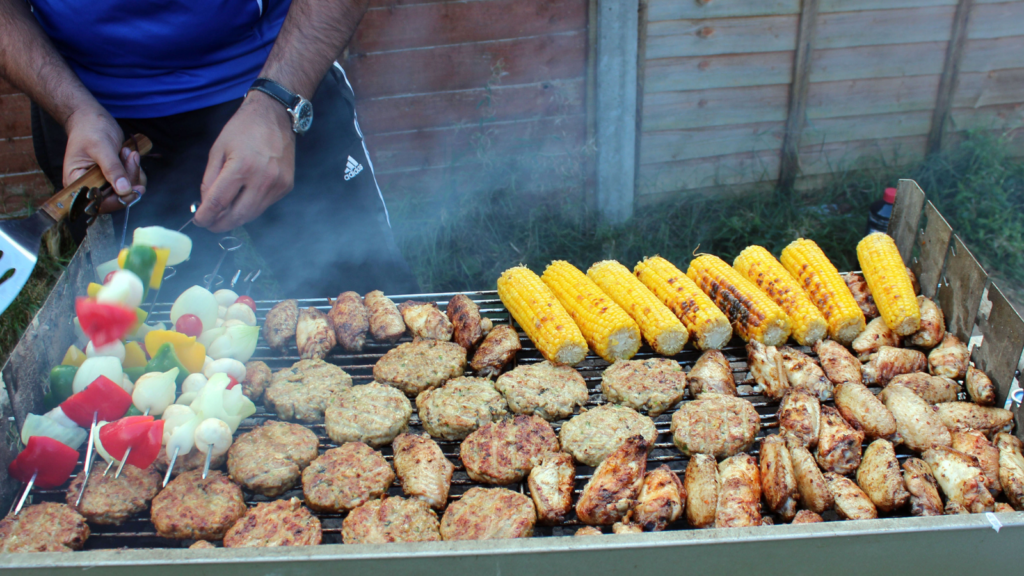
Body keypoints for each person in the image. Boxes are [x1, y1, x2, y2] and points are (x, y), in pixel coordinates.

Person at [0, 0, 419, 298]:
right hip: (89, 105)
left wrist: (278, 103)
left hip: (283, 72)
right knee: (142, 336)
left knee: (364, 300)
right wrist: (74, 111)